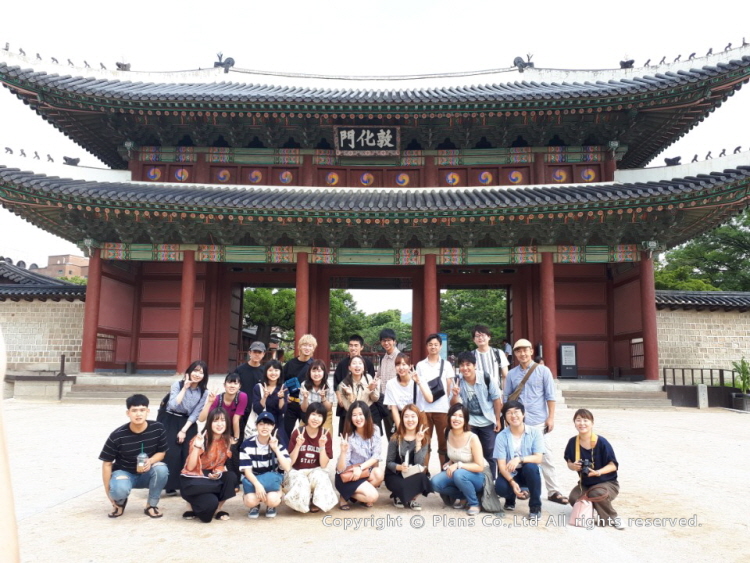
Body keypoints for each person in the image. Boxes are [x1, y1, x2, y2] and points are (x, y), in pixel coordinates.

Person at [503, 339, 568, 506]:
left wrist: (551, 417)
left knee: (546, 456)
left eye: (525, 350)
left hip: (538, 420)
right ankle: (522, 488)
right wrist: (506, 419)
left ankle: (553, 491)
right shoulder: (511, 374)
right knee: (516, 456)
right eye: (519, 351)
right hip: (518, 422)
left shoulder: (543, 371)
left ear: (531, 351)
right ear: (515, 354)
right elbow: (507, 397)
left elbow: (550, 396)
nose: (522, 354)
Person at [99, 394, 169, 518]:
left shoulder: (158, 428)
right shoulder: (117, 435)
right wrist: (108, 491)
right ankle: (119, 503)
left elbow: (162, 453)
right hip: (124, 473)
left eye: (142, 410)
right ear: (128, 413)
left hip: (146, 473)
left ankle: (151, 505)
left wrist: (150, 461)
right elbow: (107, 463)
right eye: (134, 410)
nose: (138, 414)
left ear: (148, 411)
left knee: (161, 469)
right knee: (118, 490)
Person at [564, 409, 623, 529]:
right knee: (574, 498)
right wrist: (573, 466)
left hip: (607, 482)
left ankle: (613, 517)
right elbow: (569, 462)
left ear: (592, 423)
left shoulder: (602, 442)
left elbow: (613, 465)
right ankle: (596, 508)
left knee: (596, 493)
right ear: (574, 423)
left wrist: (598, 472)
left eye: (586, 420)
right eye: (578, 420)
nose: (582, 423)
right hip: (585, 483)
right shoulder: (572, 442)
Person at [180, 407, 237, 522]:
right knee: (206, 514)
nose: (219, 424)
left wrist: (218, 472)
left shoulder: (228, 441)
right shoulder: (200, 439)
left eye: (223, 420)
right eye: (216, 421)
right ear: (209, 423)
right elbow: (190, 467)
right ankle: (190, 504)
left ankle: (218, 508)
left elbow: (222, 464)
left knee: (231, 477)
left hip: (212, 478)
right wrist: (197, 446)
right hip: (196, 478)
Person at [451, 351, 502, 476]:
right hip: (469, 422)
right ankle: (474, 480)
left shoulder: (486, 378)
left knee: (489, 452)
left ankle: (490, 480)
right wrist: (455, 395)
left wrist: (497, 419)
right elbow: (453, 405)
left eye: (468, 364)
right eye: (462, 365)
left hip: (487, 421)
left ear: (475, 365)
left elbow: (497, 399)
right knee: (470, 452)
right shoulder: (457, 381)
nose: (465, 368)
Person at [430, 404, 488, 516]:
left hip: (479, 476)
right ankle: (464, 496)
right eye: (454, 415)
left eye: (461, 416)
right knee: (435, 483)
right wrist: (450, 462)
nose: (456, 419)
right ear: (449, 417)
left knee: (459, 474)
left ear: (466, 420)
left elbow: (480, 466)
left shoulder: (472, 438)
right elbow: (457, 454)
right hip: (460, 473)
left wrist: (458, 465)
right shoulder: (447, 432)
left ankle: (475, 503)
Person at [162, 360, 210, 493]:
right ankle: (169, 485)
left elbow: (196, 413)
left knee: (188, 452)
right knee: (171, 452)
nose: (197, 374)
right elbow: (173, 405)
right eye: (195, 371)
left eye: (201, 372)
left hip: (188, 422)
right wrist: (185, 388)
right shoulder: (177, 385)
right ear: (189, 372)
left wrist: (183, 430)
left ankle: (185, 483)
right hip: (171, 419)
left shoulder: (203, 392)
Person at [493, 400, 544, 521]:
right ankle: (510, 498)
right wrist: (512, 482)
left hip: (528, 471)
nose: (513, 415)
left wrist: (519, 459)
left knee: (531, 467)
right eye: (509, 413)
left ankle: (535, 506)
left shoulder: (535, 432)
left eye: (516, 412)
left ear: (523, 414)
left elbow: (538, 458)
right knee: (500, 488)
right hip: (510, 472)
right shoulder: (501, 436)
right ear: (505, 417)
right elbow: (501, 465)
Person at [283, 402, 338, 513]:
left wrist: (322, 446)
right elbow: (291, 462)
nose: (316, 419)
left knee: (321, 477)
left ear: (323, 419)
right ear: (307, 415)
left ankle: (315, 501)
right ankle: (301, 501)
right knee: (301, 481)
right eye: (313, 414)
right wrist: (298, 445)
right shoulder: (298, 432)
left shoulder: (325, 434)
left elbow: (323, 465)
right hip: (298, 470)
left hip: (316, 470)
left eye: (320, 416)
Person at [239, 411, 291, 518]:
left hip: (272, 481)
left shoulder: (278, 443)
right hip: (254, 480)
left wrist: (276, 449)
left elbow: (287, 467)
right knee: (250, 501)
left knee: (272, 500)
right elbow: (247, 471)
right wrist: (258, 485)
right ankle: (255, 505)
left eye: (268, 424)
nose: (265, 427)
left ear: (273, 426)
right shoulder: (247, 444)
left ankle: (271, 505)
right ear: (256, 426)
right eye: (261, 424)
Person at [335, 401, 384, 510]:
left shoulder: (375, 430)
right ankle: (344, 494)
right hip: (348, 476)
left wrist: (360, 468)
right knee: (373, 496)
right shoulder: (349, 435)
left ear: (366, 415)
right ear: (350, 417)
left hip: (363, 471)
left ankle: (352, 494)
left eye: (361, 414)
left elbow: (376, 455)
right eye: (354, 415)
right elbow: (341, 469)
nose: (358, 418)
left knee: (379, 473)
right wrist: (343, 452)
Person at [384, 404, 432, 510]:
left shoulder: (425, 439)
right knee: (400, 484)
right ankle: (398, 496)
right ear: (402, 419)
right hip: (396, 474)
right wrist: (400, 467)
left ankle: (411, 498)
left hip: (412, 474)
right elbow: (389, 462)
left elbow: (419, 463)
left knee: (423, 479)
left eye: (413, 416)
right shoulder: (395, 438)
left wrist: (418, 442)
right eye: (406, 416)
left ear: (418, 418)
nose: (410, 420)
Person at [416, 333, 453, 467]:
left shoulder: (446, 364)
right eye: (430, 344)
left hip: (442, 409)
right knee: (425, 441)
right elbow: (418, 385)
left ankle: (444, 470)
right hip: (424, 409)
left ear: (440, 346)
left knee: (444, 442)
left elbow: (449, 386)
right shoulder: (420, 365)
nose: (433, 347)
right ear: (426, 346)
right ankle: (424, 471)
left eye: (436, 344)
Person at [333, 335, 376, 435]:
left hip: (365, 404)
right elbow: (336, 382)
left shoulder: (368, 363)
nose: (353, 348)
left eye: (356, 345)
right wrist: (339, 398)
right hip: (346, 403)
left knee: (365, 433)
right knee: (346, 434)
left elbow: (372, 384)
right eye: (351, 345)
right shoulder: (342, 364)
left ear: (361, 347)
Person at [383, 352, 432, 430]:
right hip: (401, 416)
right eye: (398, 365)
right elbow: (394, 409)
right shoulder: (391, 384)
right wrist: (400, 429)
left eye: (404, 364)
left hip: (418, 416)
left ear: (410, 366)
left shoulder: (420, 379)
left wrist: (419, 382)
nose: (401, 367)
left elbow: (430, 399)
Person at [282, 334, 317, 436]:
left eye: (310, 346)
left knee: (308, 433)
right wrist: (285, 395)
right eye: (304, 345)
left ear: (313, 348)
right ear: (299, 347)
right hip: (291, 403)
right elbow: (282, 382)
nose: (307, 348)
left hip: (307, 403)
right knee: (285, 433)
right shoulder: (290, 364)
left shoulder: (314, 365)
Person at [251, 360, 288, 447]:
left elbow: (282, 411)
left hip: (278, 424)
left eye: (276, 370)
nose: (273, 373)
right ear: (266, 372)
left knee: (280, 448)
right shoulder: (259, 387)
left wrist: (281, 398)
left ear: (280, 372)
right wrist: (264, 397)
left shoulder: (283, 388)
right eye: (270, 370)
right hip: (263, 423)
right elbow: (257, 409)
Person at [235, 342, 266, 436]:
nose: (257, 354)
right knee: (240, 436)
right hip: (242, 409)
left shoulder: (265, 372)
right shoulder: (239, 370)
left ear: (263, 354)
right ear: (249, 353)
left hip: (258, 409)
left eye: (259, 352)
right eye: (254, 351)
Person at [375, 328, 400, 439]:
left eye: (389, 340)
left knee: (400, 435)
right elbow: (378, 376)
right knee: (390, 436)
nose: (386, 343)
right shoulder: (383, 358)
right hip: (385, 402)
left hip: (398, 403)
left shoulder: (400, 357)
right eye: (384, 340)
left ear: (394, 341)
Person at [300, 359, 335, 432]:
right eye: (314, 371)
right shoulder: (304, 385)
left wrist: (323, 398)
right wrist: (305, 398)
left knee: (326, 433)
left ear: (324, 372)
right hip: (309, 414)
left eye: (319, 371)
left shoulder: (329, 385)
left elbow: (328, 408)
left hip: (324, 413)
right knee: (301, 432)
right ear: (309, 372)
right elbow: (304, 409)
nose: (316, 374)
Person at [472, 325, 509, 390]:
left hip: (496, 392)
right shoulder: (471, 355)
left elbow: (505, 375)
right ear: (474, 339)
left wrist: (505, 393)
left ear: (489, 337)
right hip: (477, 393)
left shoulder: (498, 353)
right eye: (477, 336)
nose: (480, 338)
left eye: (483, 335)